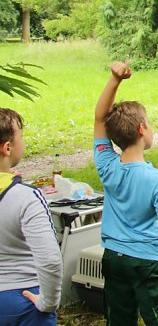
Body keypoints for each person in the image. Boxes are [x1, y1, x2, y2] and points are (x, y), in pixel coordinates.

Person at [93, 61, 158, 325]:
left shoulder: (107, 166)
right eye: (149, 124)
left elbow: (99, 118)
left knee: (119, 320)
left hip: (114, 258)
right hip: (149, 263)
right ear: (142, 129)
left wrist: (115, 80)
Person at [0, 109, 63, 325]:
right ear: (7, 148)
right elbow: (50, 260)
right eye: (21, 136)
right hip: (22, 300)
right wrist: (49, 303)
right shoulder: (26, 197)